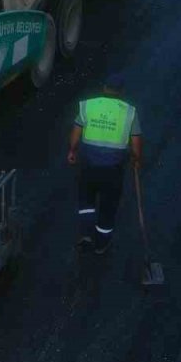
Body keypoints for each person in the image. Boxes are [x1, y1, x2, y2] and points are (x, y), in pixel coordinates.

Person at [68, 74, 143, 254]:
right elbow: (136, 142)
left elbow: (76, 131)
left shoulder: (89, 105)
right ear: (121, 91)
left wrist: (72, 151)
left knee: (86, 201)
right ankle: (101, 244)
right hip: (113, 170)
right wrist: (136, 160)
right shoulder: (129, 112)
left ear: (104, 88)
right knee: (108, 206)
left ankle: (85, 235)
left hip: (88, 166)